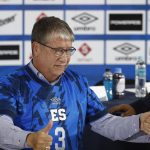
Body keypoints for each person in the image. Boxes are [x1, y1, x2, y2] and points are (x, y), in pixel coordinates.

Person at [1, 17, 150, 150]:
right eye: (58, 51)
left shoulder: (77, 82)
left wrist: (138, 122)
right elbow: (2, 128)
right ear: (36, 48)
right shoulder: (11, 84)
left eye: (69, 51)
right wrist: (28, 139)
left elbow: (106, 124)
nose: (65, 58)